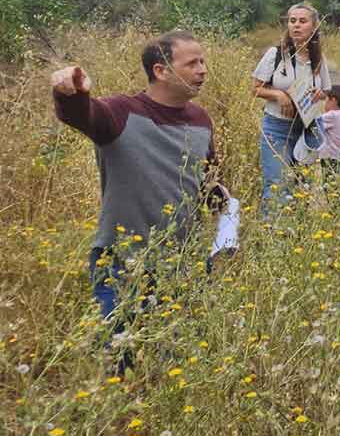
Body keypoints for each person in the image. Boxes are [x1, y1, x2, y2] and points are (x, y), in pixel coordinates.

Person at [51, 31, 220, 369]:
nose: (202, 70)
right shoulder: (120, 112)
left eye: (203, 61)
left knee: (178, 364)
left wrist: (223, 207)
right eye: (192, 63)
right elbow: (81, 114)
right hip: (122, 261)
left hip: (182, 262)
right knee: (120, 362)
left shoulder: (201, 120)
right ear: (161, 70)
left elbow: (207, 182)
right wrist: (69, 91)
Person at [253, 3, 332, 207]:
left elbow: (325, 91)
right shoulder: (276, 54)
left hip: (307, 129)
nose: (296, 25)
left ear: (314, 27)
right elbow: (256, 89)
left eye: (302, 21)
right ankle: (272, 226)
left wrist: (319, 94)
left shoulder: (318, 59)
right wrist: (278, 95)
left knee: (301, 187)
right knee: (277, 187)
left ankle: (296, 225)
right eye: (292, 21)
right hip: (277, 127)